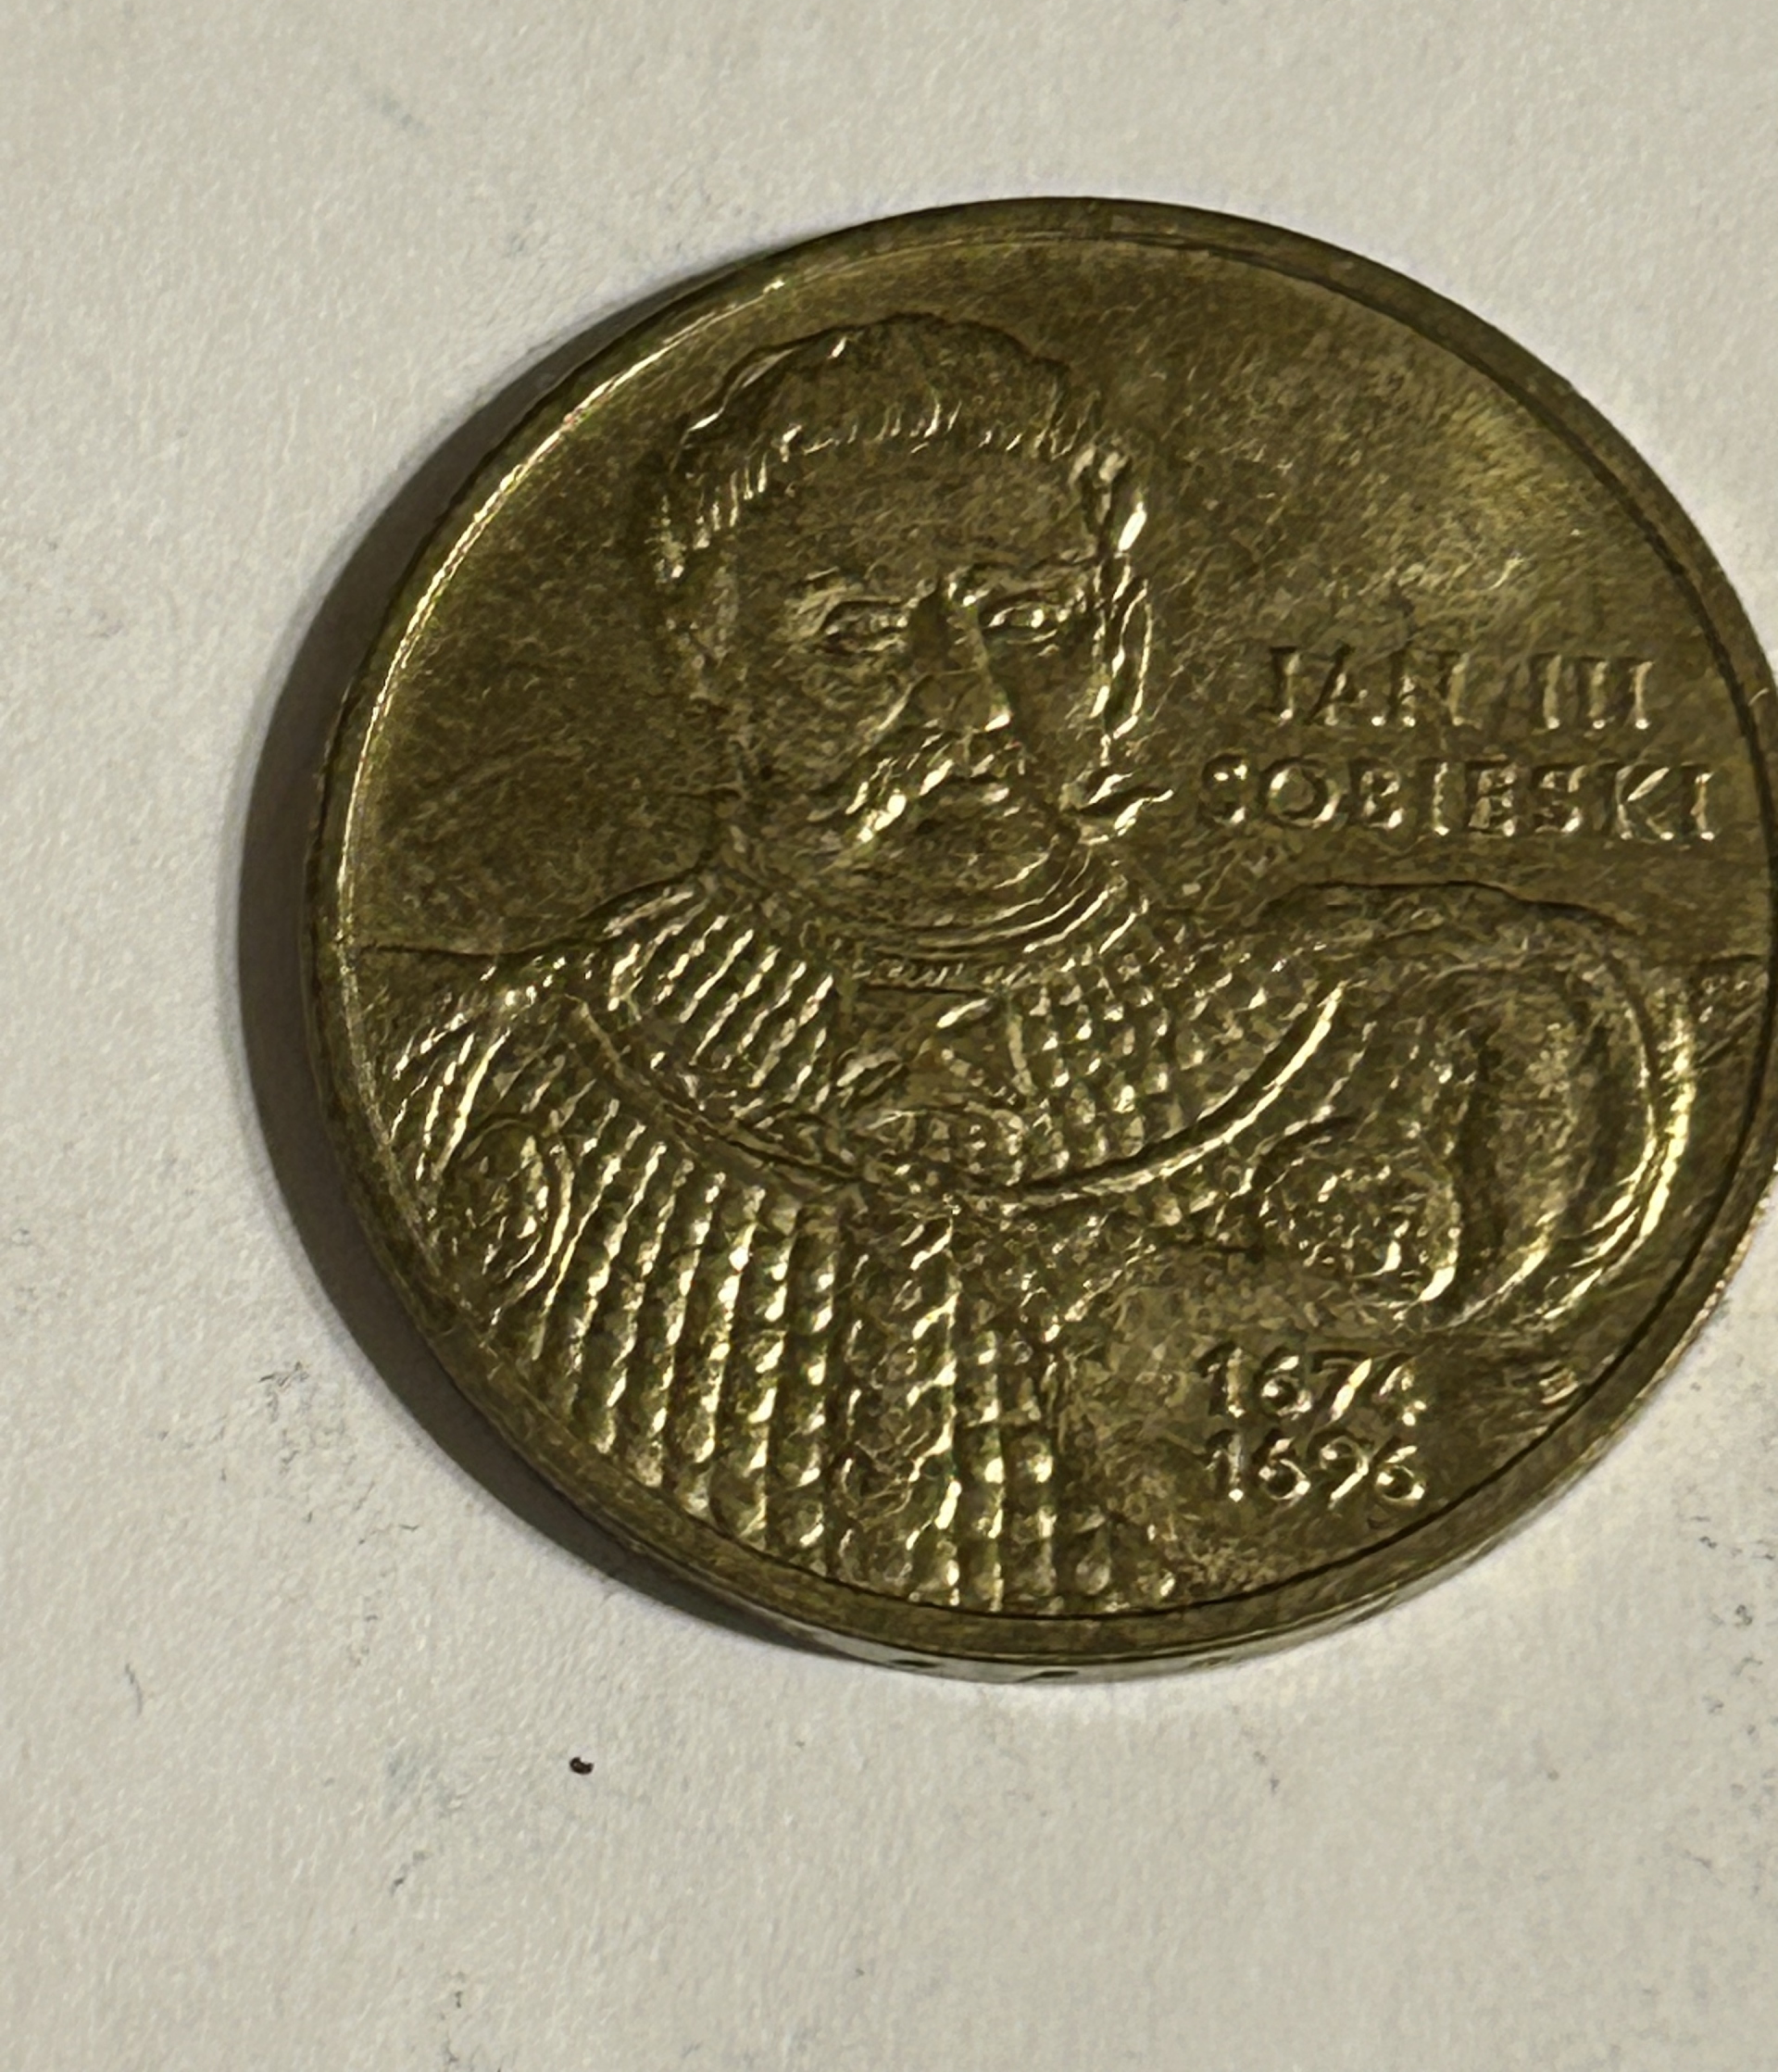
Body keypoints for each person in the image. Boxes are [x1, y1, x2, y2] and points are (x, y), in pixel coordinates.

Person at [382, 317, 1690, 1614]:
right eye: (858, 635)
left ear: (1119, 645)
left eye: (1028, 618)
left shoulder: (1373, 1065)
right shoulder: (504, 1067)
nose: (974, 704)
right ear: (710, 657)